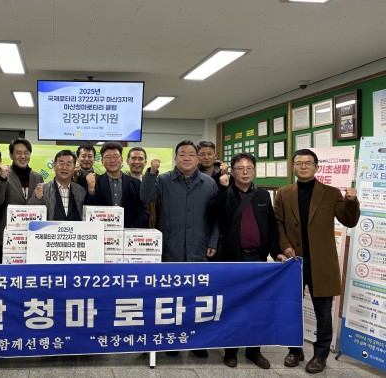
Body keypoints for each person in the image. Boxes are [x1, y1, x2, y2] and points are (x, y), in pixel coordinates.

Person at [275, 148, 359, 374]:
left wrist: (351, 201)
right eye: (299, 163)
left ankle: (320, 355)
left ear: (316, 167)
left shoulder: (331, 193)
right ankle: (295, 350)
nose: (303, 166)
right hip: (294, 262)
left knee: (323, 312)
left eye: (308, 163)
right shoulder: (283, 193)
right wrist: (284, 245)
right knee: (291, 307)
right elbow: (278, 223)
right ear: (293, 166)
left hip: (321, 262)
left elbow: (349, 220)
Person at [140, 139, 218, 358]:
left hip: (199, 248)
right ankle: (172, 339)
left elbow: (216, 218)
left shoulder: (209, 183)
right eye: (182, 154)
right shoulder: (164, 179)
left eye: (191, 154)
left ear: (198, 158)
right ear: (175, 158)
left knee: (197, 297)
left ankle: (197, 342)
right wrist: (151, 173)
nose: (186, 158)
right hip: (171, 248)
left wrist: (212, 242)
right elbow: (146, 197)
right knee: (171, 297)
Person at [215, 153, 287, 369]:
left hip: (258, 259)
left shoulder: (263, 195)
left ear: (254, 170)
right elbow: (216, 216)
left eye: (249, 168)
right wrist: (222, 190)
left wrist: (276, 252)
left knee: (258, 306)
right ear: (232, 171)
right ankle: (231, 351)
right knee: (233, 305)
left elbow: (272, 227)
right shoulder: (226, 193)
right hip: (233, 259)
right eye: (240, 168)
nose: (245, 172)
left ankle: (254, 351)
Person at [0, 138, 44, 252]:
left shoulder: (37, 177)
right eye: (18, 153)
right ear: (11, 155)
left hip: (31, 235)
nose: (22, 156)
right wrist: (2, 179)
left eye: (26, 153)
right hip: (9, 236)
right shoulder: (2, 175)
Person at [86, 142, 148, 228]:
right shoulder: (95, 182)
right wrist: (91, 190)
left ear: (121, 159)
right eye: (108, 157)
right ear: (102, 161)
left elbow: (143, 212)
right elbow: (89, 210)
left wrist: (131, 230)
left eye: (115, 156)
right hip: (102, 232)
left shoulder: (136, 183)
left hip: (129, 232)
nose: (112, 160)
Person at [28, 150, 86, 221]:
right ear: (54, 166)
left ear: (74, 168)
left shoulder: (81, 191)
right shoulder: (42, 189)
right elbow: (29, 214)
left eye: (68, 164)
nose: (64, 167)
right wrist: (36, 198)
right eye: (61, 163)